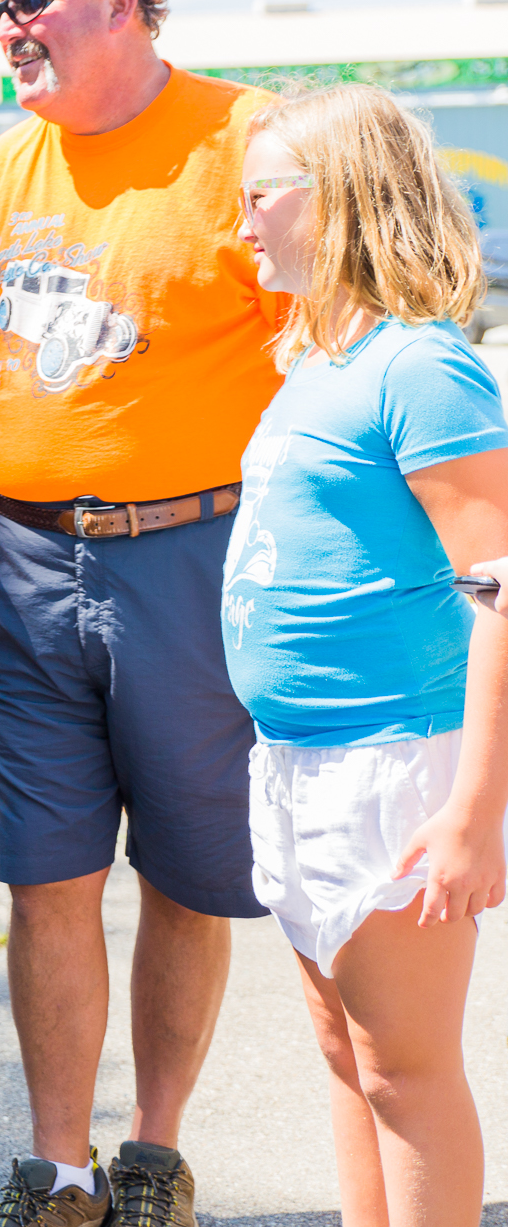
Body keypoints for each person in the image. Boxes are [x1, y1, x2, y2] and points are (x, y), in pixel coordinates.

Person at [0, 0, 290, 1227]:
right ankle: (59, 1172)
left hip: (193, 552)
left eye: (35, 3)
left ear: (123, 0)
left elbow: (317, 345)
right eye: (0, 11)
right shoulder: (5, 168)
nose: (12, 31)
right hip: (20, 561)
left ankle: (152, 1156)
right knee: (45, 868)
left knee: (190, 873)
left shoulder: (246, 141)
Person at [228, 83, 508, 1226]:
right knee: (347, 1059)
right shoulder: (316, 360)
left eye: (257, 196)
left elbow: (499, 593)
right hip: (298, 760)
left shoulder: (419, 369)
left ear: (334, 196)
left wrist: (471, 815)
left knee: (403, 1071)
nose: (237, 223)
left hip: (393, 763)